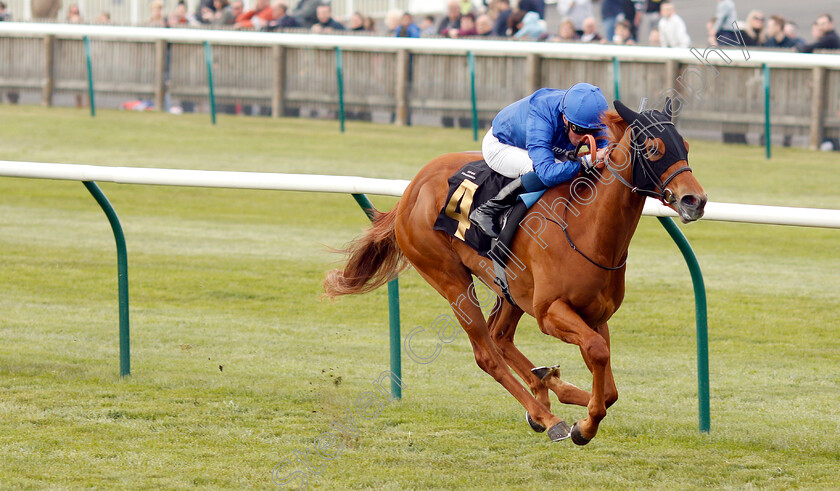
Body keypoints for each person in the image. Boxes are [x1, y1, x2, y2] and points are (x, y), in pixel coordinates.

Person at [469, 83, 610, 238]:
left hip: (547, 145)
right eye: (580, 130)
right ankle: (488, 210)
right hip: (501, 145)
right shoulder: (542, 115)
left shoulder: (586, 116)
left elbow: (607, 150)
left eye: (594, 131)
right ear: (565, 118)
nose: (586, 136)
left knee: (570, 171)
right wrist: (587, 161)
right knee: (556, 171)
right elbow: (547, 173)